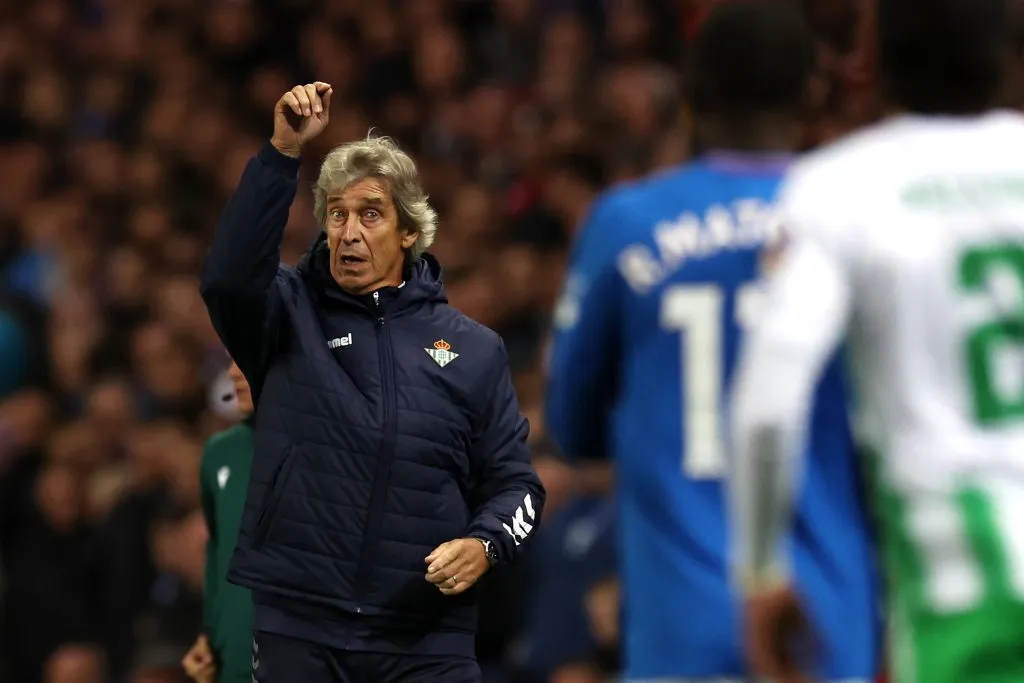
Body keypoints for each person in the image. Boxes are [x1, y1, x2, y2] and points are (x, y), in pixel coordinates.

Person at [545, 1, 879, 681]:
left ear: (690, 96)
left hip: (682, 628)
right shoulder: (857, 214)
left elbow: (571, 426)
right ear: (813, 93)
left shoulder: (625, 222)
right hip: (824, 626)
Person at [199, 82, 545, 683]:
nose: (349, 231)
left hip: (427, 639)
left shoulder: (475, 349)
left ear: (409, 231)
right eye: (336, 214)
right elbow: (228, 279)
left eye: (370, 214)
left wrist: (485, 544)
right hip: (301, 628)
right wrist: (282, 151)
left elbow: (517, 486)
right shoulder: (286, 315)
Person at [730, 1, 1024, 682]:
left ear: (876, 66)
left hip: (964, 573)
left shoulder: (840, 186)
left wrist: (761, 568)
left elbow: (767, 402)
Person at [182, 361, 255, 683]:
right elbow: (218, 552)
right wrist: (209, 636)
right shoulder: (219, 453)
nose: (232, 373)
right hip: (232, 662)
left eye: (243, 356)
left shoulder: (327, 446)